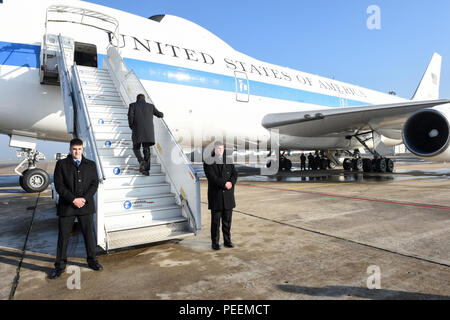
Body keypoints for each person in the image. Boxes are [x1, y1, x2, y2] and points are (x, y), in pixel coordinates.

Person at [49, 138, 102, 279]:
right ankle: (59, 266)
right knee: (63, 236)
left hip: (85, 206)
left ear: (82, 149)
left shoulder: (90, 164)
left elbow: (94, 184)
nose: (77, 151)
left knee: (88, 235)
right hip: (67, 206)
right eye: (74, 149)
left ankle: (92, 261)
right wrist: (73, 199)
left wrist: (83, 199)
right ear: (70, 149)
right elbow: (59, 185)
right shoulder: (61, 164)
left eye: (79, 149)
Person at [203, 141, 238, 251]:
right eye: (218, 148)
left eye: (222, 148)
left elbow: (234, 173)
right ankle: (215, 243)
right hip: (216, 196)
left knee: (227, 222)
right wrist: (224, 184)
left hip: (228, 196)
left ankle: (227, 241)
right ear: (214, 149)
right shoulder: (208, 161)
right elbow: (212, 177)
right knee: (215, 222)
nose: (220, 150)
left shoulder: (228, 160)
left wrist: (231, 183)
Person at [128, 94, 164, 176]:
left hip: (137, 130)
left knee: (136, 147)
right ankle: (146, 170)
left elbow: (130, 117)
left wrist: (132, 126)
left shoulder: (132, 105)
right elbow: (159, 114)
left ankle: (141, 161)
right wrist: (161, 114)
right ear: (144, 99)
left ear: (137, 99)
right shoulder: (150, 106)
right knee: (146, 149)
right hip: (148, 132)